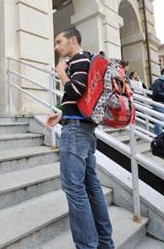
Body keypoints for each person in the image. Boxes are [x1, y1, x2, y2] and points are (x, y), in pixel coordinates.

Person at [46, 28, 114, 249]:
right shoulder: (87, 59)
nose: (56, 47)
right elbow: (82, 98)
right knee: (91, 186)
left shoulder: (77, 60)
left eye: (59, 42)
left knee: (74, 190)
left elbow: (75, 90)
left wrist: (60, 72)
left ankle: (87, 246)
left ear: (72, 40)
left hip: (75, 133)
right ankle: (105, 242)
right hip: (83, 129)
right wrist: (62, 114)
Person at [152, 69, 164, 135]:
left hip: (161, 103)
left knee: (160, 122)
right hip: (159, 104)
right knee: (159, 121)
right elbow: (157, 93)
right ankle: (158, 137)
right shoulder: (158, 81)